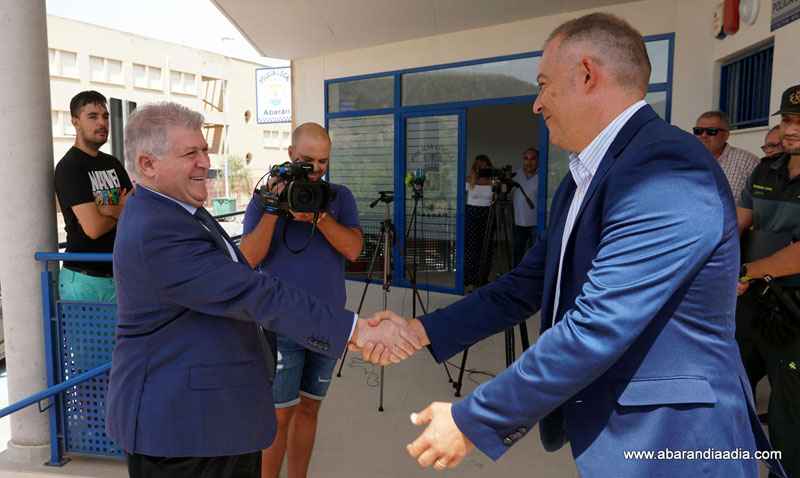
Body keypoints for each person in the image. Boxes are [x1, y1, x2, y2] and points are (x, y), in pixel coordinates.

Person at [358, 13, 784, 477]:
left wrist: (473, 419)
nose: (536, 103)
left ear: (586, 73)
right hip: (619, 439)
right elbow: (524, 285)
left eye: (543, 84)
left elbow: (600, 323)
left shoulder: (668, 168)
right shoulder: (582, 177)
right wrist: (421, 330)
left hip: (674, 443)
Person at [106, 102, 418, 478]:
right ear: (148, 165)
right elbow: (251, 288)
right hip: (182, 430)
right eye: (190, 153)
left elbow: (239, 270)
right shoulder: (158, 228)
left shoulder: (179, 209)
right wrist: (356, 329)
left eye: (205, 149)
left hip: (216, 419)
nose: (205, 162)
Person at [238, 123, 362, 478]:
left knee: (309, 408)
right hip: (279, 323)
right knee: (277, 415)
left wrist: (319, 216)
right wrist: (276, 209)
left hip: (328, 323)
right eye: (307, 160)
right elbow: (247, 259)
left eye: (323, 161)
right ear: (290, 156)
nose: (316, 169)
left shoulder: (338, 197)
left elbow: (354, 250)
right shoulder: (267, 198)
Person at [735, 84, 800, 478]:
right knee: (730, 390)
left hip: (793, 309)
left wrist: (743, 272)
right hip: (750, 303)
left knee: (789, 411)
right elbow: (735, 225)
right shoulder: (765, 169)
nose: (792, 129)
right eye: (789, 120)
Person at [54, 90, 133, 302]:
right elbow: (94, 229)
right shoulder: (69, 167)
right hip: (83, 280)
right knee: (85, 337)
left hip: (118, 274)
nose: (102, 123)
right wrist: (119, 208)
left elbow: (135, 207)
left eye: (105, 116)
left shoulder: (113, 163)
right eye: (93, 117)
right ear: (75, 122)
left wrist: (106, 210)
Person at [694, 110, 759, 200]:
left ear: (725, 136)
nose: (704, 135)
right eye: (698, 131)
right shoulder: (687, 161)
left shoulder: (746, 162)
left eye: (711, 131)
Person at [464, 154, 494, 292]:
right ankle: (470, 280)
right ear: (475, 168)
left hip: (488, 214)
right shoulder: (469, 180)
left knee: (486, 249)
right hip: (471, 214)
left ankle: (482, 279)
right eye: (480, 167)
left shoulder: (493, 182)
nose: (482, 170)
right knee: (472, 249)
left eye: (485, 167)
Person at [511, 148, 539, 266]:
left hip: (536, 223)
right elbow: (512, 195)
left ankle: (532, 277)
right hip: (518, 222)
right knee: (517, 253)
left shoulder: (543, 176)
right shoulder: (517, 175)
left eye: (533, 159)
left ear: (538, 161)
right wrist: (509, 215)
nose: (529, 162)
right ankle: (517, 276)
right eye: (526, 159)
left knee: (535, 253)